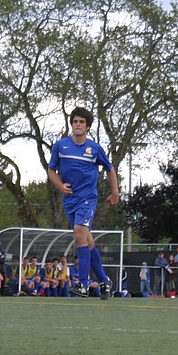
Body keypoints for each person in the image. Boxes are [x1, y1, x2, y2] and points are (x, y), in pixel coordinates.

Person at [47, 106, 119, 299]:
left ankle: (83, 283)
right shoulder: (60, 146)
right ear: (71, 124)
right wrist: (60, 186)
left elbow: (110, 169)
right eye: (75, 121)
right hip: (69, 200)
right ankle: (104, 281)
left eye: (81, 122)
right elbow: (51, 170)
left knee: (79, 235)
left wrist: (115, 192)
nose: (78, 125)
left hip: (87, 199)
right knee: (87, 240)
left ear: (88, 127)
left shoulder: (94, 149)